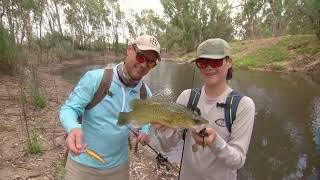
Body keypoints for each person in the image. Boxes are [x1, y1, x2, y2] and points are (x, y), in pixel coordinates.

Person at [59, 34, 161, 180]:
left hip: (119, 167)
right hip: (82, 165)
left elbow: (147, 118)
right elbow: (69, 109)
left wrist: (145, 131)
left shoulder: (145, 93)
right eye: (141, 57)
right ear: (129, 50)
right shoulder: (96, 79)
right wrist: (73, 128)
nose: (144, 65)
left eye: (151, 63)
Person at [153, 38, 255, 180]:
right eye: (202, 62)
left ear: (229, 62)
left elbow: (237, 161)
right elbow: (167, 147)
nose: (208, 67)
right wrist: (166, 127)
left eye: (215, 62)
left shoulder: (243, 105)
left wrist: (215, 143)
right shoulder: (187, 97)